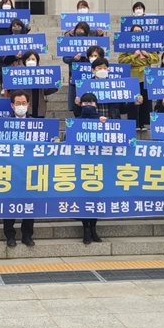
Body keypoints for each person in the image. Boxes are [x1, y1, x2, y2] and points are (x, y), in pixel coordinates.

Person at [1, 91, 38, 247]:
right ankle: (10, 235)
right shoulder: (3, 124)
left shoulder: (37, 125)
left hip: (30, 170)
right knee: (9, 203)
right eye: (18, 103)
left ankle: (27, 235)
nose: (21, 106)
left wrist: (54, 141)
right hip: (10, 170)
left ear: (28, 104)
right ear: (12, 105)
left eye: (23, 103)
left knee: (29, 203)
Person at [72, 92, 103, 245]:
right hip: (81, 165)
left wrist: (106, 125)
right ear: (80, 104)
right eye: (85, 103)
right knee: (84, 198)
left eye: (91, 102)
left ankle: (94, 228)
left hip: (99, 166)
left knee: (95, 198)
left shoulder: (103, 122)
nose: (88, 105)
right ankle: (86, 229)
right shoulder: (75, 122)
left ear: (96, 104)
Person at [115, 25, 160, 131]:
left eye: (139, 31)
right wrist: (134, 56)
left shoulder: (148, 43)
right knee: (133, 100)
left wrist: (147, 55)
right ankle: (133, 123)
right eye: (135, 31)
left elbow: (156, 58)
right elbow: (121, 60)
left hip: (146, 74)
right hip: (132, 74)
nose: (137, 33)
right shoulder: (126, 44)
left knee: (146, 100)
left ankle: (144, 123)